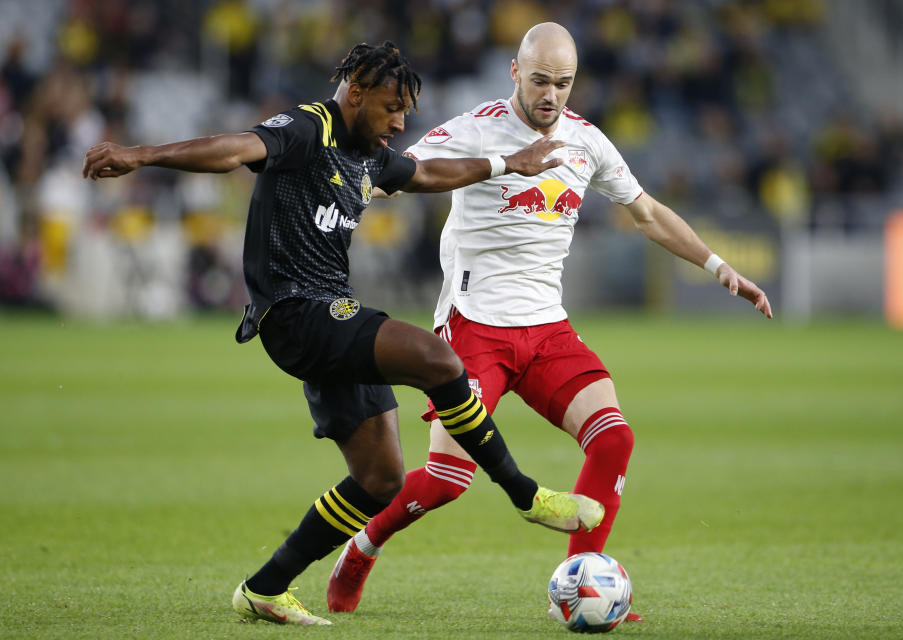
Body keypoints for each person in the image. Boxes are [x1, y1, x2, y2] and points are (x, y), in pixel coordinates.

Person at [82, 41, 604, 627]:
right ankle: (526, 494)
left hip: (332, 313)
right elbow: (235, 150)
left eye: (405, 110)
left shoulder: (370, 154)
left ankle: (265, 587)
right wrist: (142, 155)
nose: (401, 122)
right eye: (390, 107)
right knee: (441, 360)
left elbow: (430, 171)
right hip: (296, 313)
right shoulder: (310, 127)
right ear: (354, 93)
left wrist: (511, 164)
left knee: (379, 480)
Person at [325, 24, 774, 622]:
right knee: (446, 479)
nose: (551, 95)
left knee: (614, 438)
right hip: (474, 326)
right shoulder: (472, 129)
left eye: (563, 84)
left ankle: (580, 580)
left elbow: (645, 212)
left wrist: (719, 266)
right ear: (514, 71)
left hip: (547, 331)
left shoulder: (587, 141)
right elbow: (394, 171)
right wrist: (338, 195)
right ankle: (361, 546)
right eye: (540, 80)